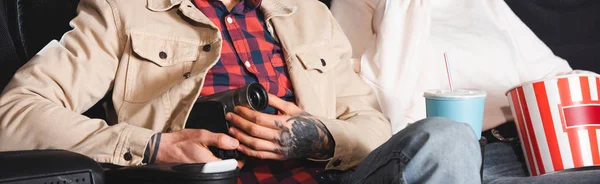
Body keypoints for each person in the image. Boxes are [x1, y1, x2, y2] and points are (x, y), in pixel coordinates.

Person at [0, 0, 481, 183]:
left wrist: (318, 137)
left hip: (328, 180)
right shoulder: (122, 9)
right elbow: (14, 114)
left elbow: (374, 128)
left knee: (451, 138)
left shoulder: (310, 13)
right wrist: (152, 146)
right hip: (205, 181)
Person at [331, 0, 600, 183]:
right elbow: (359, 92)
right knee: (450, 138)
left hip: (532, 151)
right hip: (452, 157)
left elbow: (553, 77)